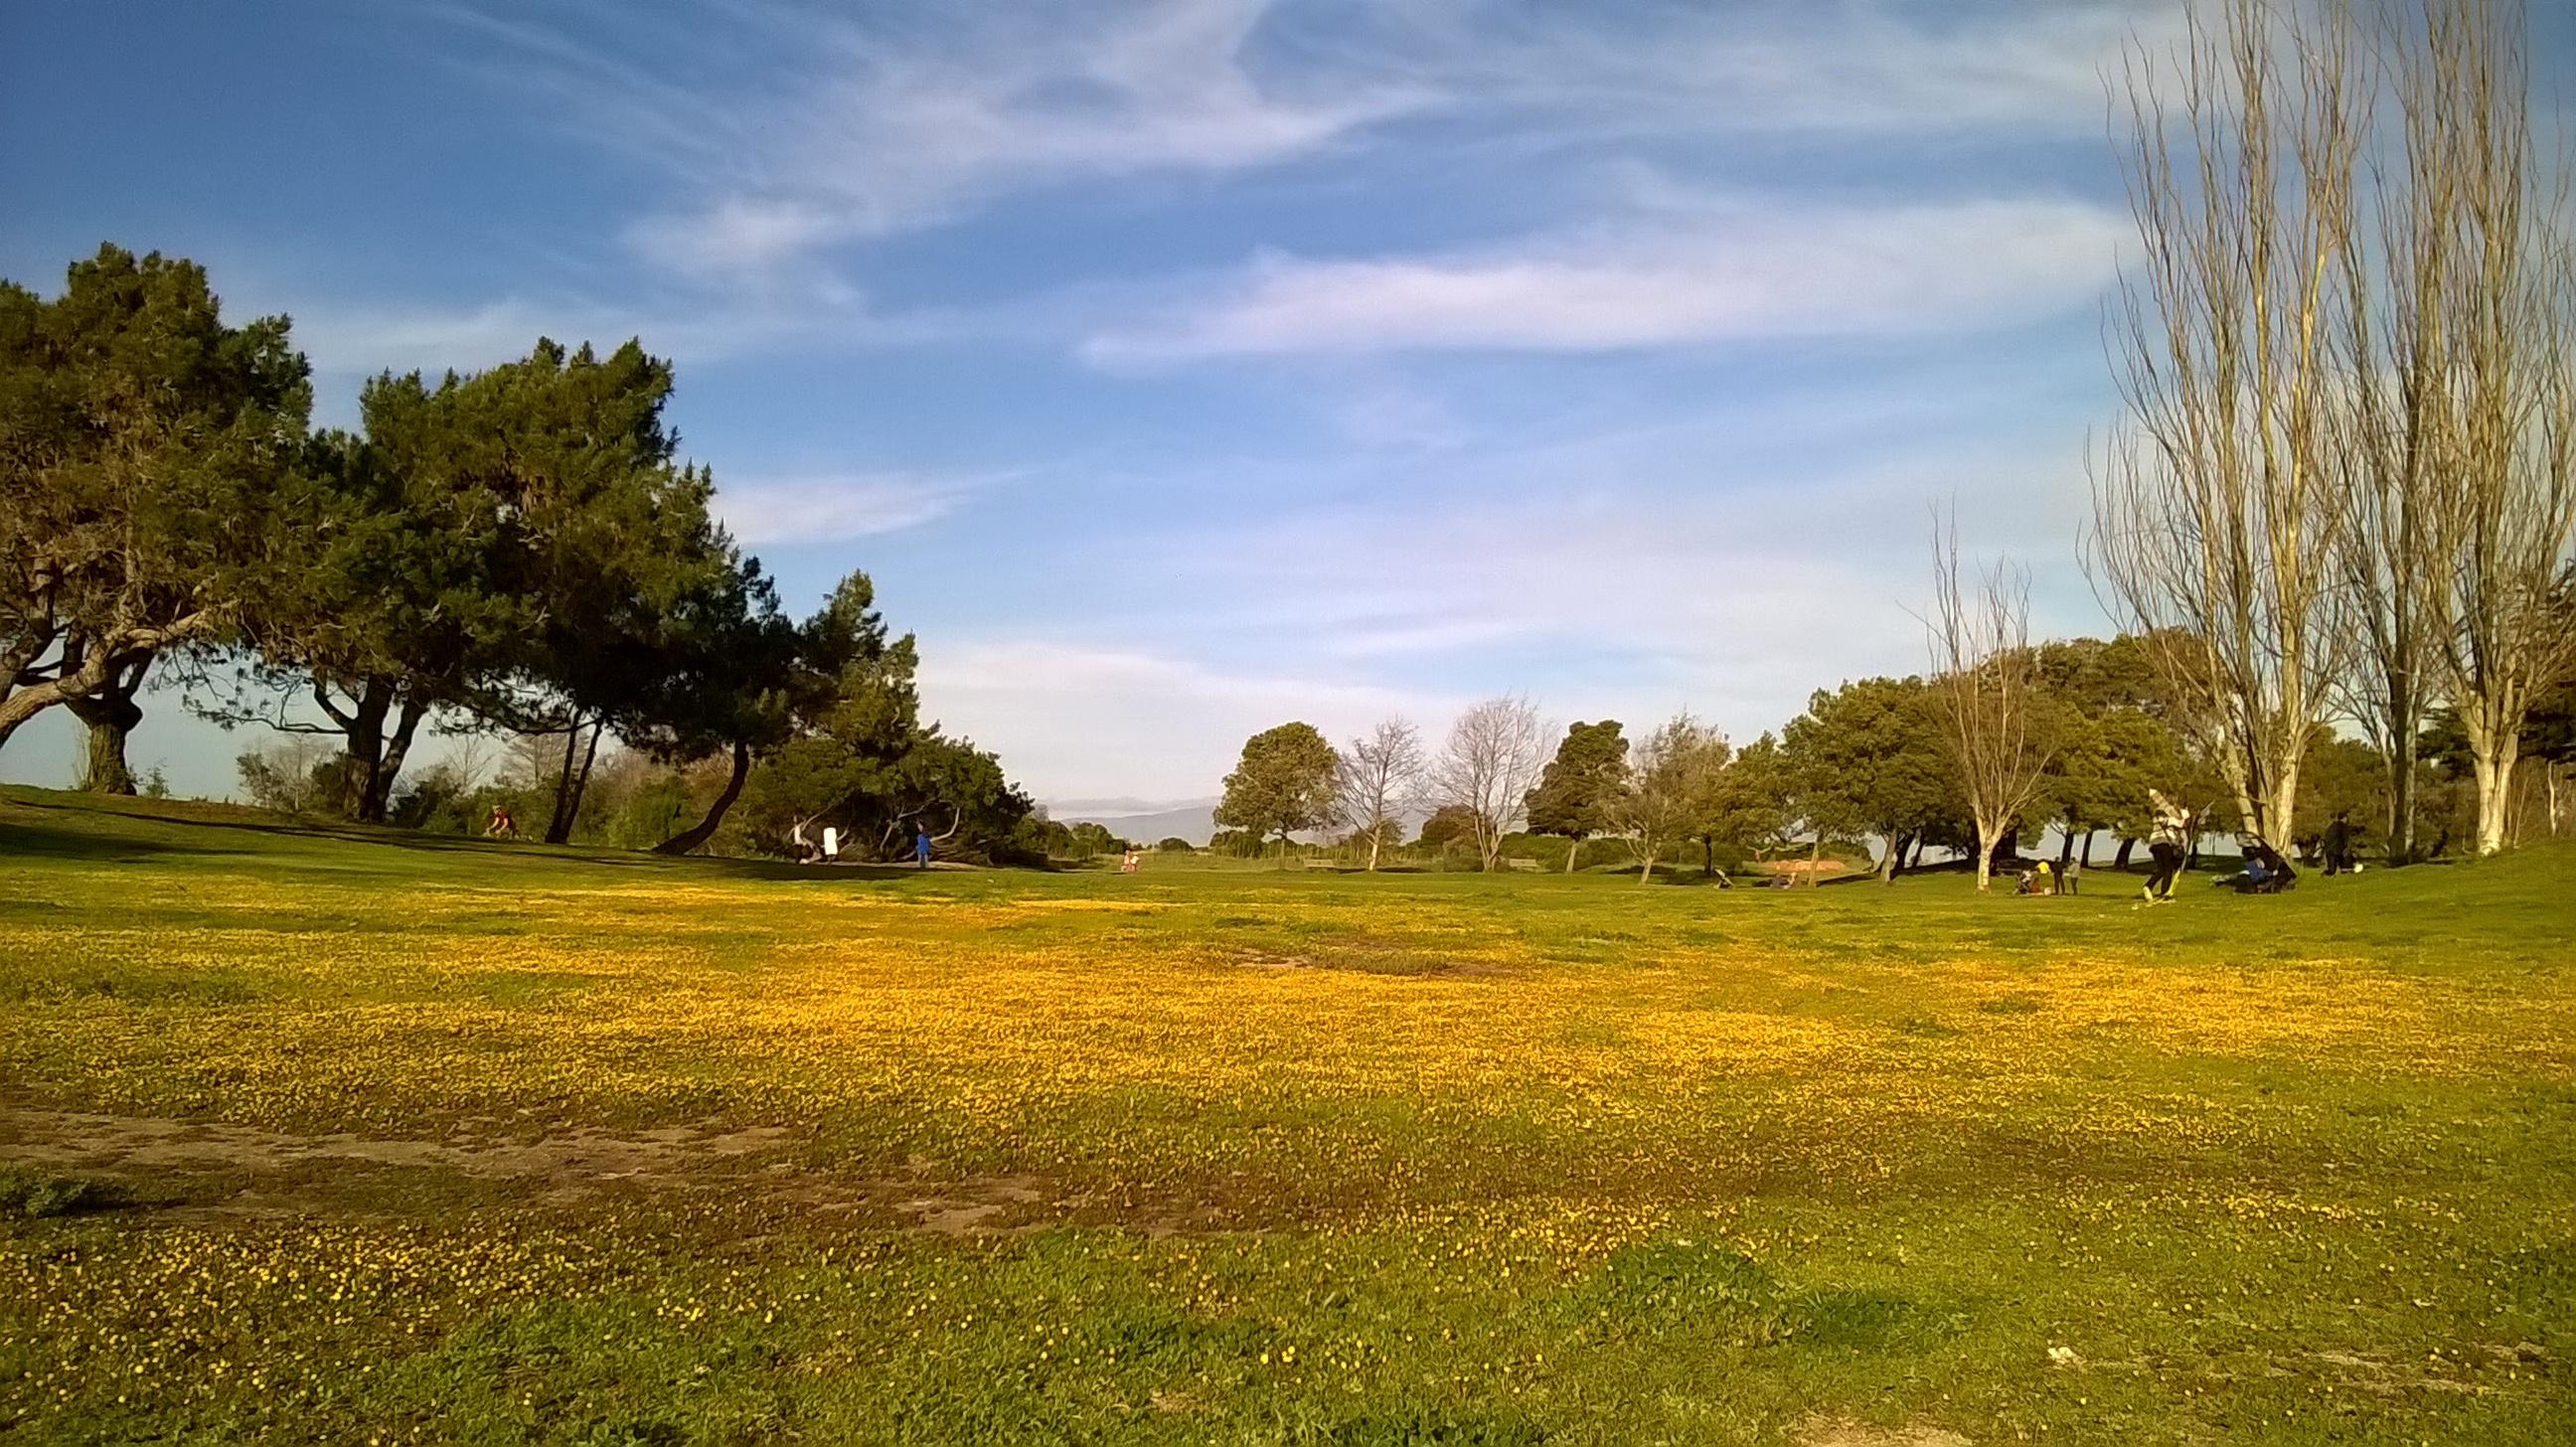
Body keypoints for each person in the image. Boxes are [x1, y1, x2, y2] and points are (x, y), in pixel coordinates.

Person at [2142, 789, 2189, 903]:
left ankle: (2149, 886)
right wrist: (2183, 816)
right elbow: (2177, 822)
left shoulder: (2159, 812)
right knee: (2168, 869)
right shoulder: (2164, 813)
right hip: (2163, 843)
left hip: (2154, 843)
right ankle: (2164, 894)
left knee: (2162, 869)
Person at [2322, 811, 2353, 876]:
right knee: (2345, 865)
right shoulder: (2343, 826)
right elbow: (2345, 839)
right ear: (2345, 818)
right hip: (2337, 850)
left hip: (2329, 850)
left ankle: (2325, 873)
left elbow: (2326, 836)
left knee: (2331, 871)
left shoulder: (2332, 825)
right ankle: (2346, 870)